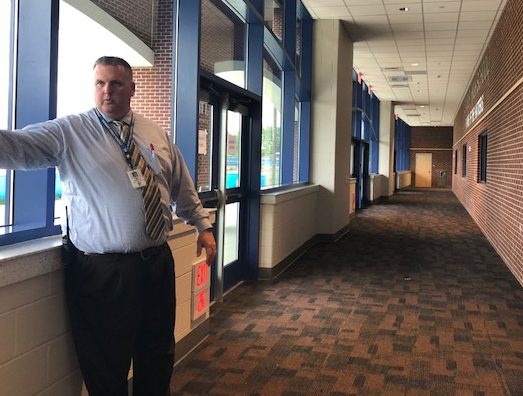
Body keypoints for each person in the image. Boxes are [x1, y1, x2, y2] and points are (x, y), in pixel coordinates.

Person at [0, 56, 216, 395]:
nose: (107, 91)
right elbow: (15, 147)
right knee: (106, 363)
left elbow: (180, 186)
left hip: (157, 263)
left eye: (115, 83)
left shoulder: (153, 132)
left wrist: (202, 225)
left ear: (132, 88)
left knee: (157, 353)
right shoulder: (70, 132)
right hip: (103, 273)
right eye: (100, 83)